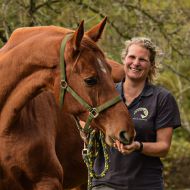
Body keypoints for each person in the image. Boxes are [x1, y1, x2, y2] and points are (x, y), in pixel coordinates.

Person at [92, 37, 181, 190]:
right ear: (124, 59)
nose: (136, 63)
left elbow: (163, 147)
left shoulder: (162, 98)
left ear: (151, 65)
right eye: (132, 57)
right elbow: (86, 123)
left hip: (146, 184)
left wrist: (137, 146)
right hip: (105, 183)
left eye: (143, 59)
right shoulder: (105, 93)